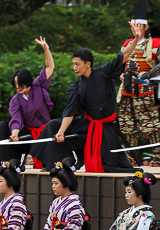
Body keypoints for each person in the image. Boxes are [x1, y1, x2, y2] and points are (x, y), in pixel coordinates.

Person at [32, 24, 142, 173]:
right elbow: (69, 112)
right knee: (53, 126)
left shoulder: (104, 73)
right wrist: (61, 132)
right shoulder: (76, 86)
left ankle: (79, 160)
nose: (74, 67)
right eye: (73, 64)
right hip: (87, 124)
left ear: (88, 64)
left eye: (77, 64)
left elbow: (124, 55)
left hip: (106, 127)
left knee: (111, 165)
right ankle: (55, 164)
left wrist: (136, 39)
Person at [117, 0, 160, 162]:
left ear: (146, 26)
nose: (135, 29)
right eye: (134, 26)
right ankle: (131, 156)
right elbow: (120, 62)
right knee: (127, 125)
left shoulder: (154, 43)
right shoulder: (127, 43)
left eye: (138, 26)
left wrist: (148, 74)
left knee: (150, 123)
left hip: (145, 89)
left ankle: (157, 156)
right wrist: (120, 73)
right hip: (127, 89)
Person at [0, 36, 55, 165]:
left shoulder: (39, 86)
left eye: (20, 84)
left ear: (27, 82)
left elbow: (49, 66)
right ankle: (1, 161)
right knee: (1, 126)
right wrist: (14, 134)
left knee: (56, 126)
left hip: (44, 131)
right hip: (26, 135)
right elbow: (16, 118)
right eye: (15, 84)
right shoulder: (15, 100)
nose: (18, 87)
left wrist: (46, 49)